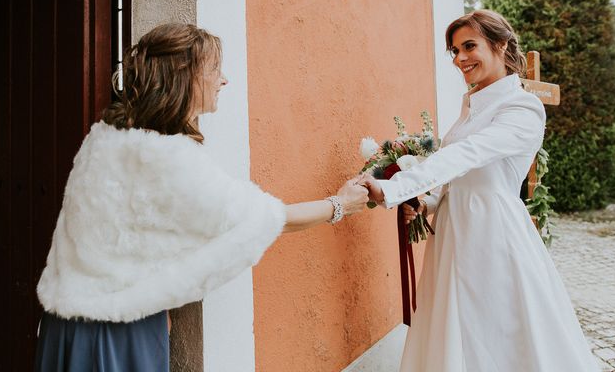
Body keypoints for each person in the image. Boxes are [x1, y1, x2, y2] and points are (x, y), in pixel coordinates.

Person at [34, 23, 369, 371]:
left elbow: (121, 241)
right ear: (185, 76)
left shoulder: (102, 139)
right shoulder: (169, 158)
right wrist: (341, 204)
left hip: (63, 328)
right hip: (117, 336)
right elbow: (264, 218)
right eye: (214, 70)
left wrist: (160, 302)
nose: (224, 80)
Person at [359, 10, 598, 372]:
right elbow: (463, 176)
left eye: (469, 46)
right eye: (454, 51)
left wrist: (394, 186)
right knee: (453, 326)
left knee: (495, 327)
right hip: (455, 231)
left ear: (500, 45)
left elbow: (470, 154)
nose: (459, 59)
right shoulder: (471, 105)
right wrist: (429, 201)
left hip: (492, 232)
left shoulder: (523, 106)